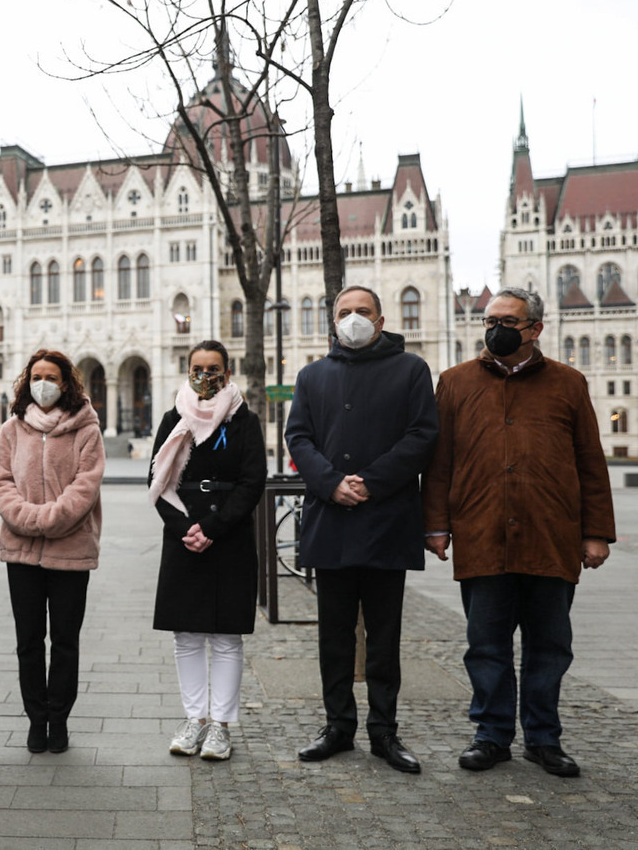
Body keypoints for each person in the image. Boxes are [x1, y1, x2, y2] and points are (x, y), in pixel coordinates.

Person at [422, 287, 614, 777]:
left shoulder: (568, 383)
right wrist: (437, 526)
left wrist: (596, 533)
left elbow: (590, 462)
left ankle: (544, 738)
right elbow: (439, 464)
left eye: (508, 321)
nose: (496, 329)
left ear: (535, 329)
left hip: (551, 536)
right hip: (481, 533)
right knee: (485, 644)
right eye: (491, 321)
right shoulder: (455, 382)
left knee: (550, 646)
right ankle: (491, 735)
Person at [284, 285, 438, 774]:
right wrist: (331, 484)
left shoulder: (411, 370)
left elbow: (422, 436)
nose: (353, 319)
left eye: (363, 312)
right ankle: (338, 726)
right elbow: (299, 436)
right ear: (333, 321)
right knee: (333, 635)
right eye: (345, 312)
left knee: (384, 636)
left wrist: (370, 483)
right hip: (332, 523)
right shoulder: (312, 375)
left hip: (386, 523)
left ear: (381, 317)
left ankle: (384, 731)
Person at [149, 340, 265, 761]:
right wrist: (185, 528)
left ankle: (220, 725)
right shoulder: (172, 418)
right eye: (197, 368)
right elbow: (158, 480)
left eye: (213, 369)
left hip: (228, 534)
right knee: (187, 634)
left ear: (227, 374)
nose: (205, 376)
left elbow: (253, 480)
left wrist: (213, 527)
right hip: (183, 533)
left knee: (226, 636)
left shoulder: (244, 422)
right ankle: (193, 719)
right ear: (187, 371)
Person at [0, 350, 104, 754]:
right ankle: (37, 720)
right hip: (21, 553)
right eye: (36, 376)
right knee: (29, 641)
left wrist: (47, 518)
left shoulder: (86, 429)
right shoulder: (12, 429)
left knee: (65, 641)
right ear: (26, 382)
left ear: (66, 382)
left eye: (51, 376)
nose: (43, 383)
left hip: (71, 550)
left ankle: (60, 719)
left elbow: (86, 486)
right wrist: (25, 517)